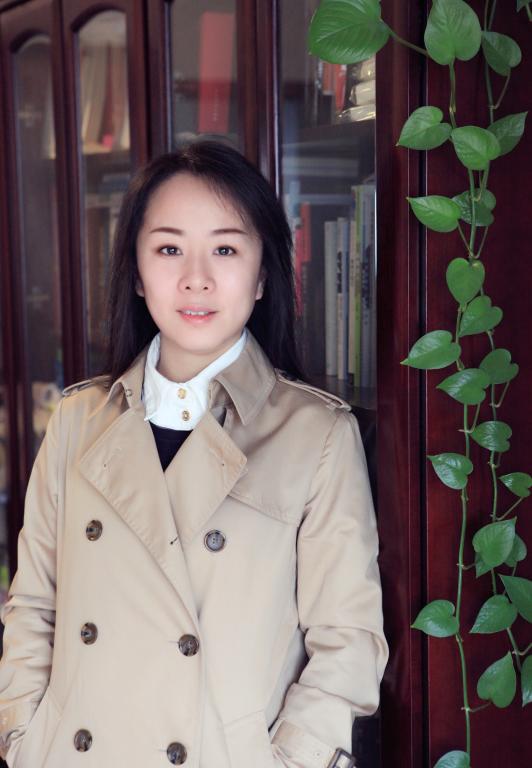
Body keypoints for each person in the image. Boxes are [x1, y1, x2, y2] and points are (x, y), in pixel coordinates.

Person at [0, 139, 389, 768]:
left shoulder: (316, 434)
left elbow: (348, 641)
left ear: (263, 275)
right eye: (169, 248)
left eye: (226, 249)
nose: (196, 278)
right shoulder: (78, 420)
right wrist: (23, 740)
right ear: (136, 270)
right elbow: (33, 606)